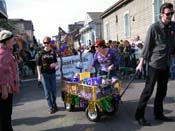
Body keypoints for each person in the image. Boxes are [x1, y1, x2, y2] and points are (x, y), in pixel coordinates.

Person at [135, 3, 175, 126]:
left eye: (172, 14)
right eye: (168, 14)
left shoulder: (173, 26)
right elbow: (146, 47)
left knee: (162, 91)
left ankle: (158, 114)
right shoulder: (154, 28)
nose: (170, 16)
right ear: (161, 14)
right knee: (148, 91)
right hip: (154, 64)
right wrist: (140, 63)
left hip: (166, 64)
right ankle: (139, 116)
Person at [0, 30, 20, 131]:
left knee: (6, 114)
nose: (14, 42)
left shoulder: (7, 52)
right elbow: (2, 72)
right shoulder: (3, 53)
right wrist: (3, 88)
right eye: (13, 40)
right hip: (6, 88)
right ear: (7, 41)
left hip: (8, 87)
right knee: (5, 114)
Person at [36, 36, 58, 114]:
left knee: (54, 91)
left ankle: (54, 103)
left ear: (50, 43)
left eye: (47, 43)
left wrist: (56, 65)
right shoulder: (40, 53)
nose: (46, 44)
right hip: (44, 74)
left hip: (52, 74)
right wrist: (39, 75)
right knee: (47, 91)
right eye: (44, 43)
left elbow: (56, 62)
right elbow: (38, 65)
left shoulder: (53, 52)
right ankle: (51, 107)